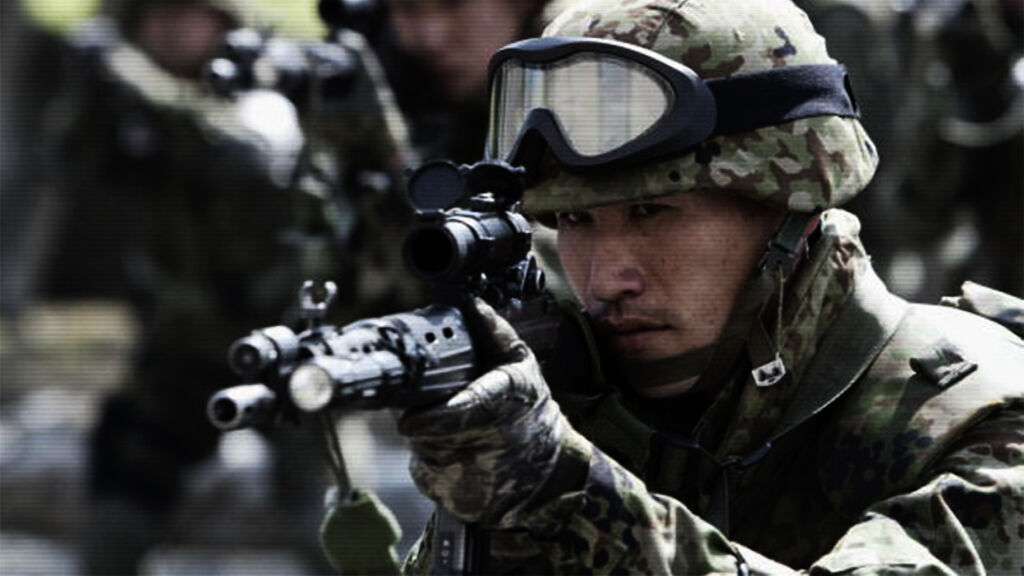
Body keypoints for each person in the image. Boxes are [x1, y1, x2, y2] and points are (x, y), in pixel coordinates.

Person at [392, 0, 1024, 573]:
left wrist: (562, 494)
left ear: (790, 207)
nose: (605, 279)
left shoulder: (980, 418)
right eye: (575, 221)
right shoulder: (585, 413)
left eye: (652, 213)